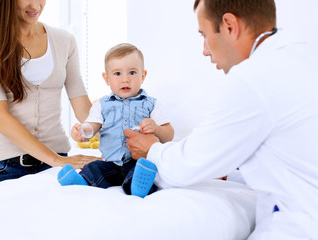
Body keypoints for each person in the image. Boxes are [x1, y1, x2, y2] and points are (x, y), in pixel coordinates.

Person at [124, 0, 318, 239]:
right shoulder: (300, 56)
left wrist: (151, 149)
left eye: (204, 35)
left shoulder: (253, 78)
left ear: (228, 25)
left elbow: (185, 166)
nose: (205, 49)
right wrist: (227, 167)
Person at [0, 0, 100, 184]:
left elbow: (83, 109)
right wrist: (56, 160)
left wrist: (120, 137)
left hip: (57, 161)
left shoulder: (65, 41)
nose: (36, 6)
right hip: (6, 166)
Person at [58, 43, 174, 197]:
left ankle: (138, 187)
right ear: (106, 78)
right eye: (117, 74)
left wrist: (157, 129)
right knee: (93, 168)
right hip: (110, 163)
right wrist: (82, 132)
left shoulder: (151, 104)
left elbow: (169, 135)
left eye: (132, 72)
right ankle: (81, 182)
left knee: (147, 169)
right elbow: (92, 127)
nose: (125, 79)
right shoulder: (101, 105)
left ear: (143, 76)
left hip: (137, 162)